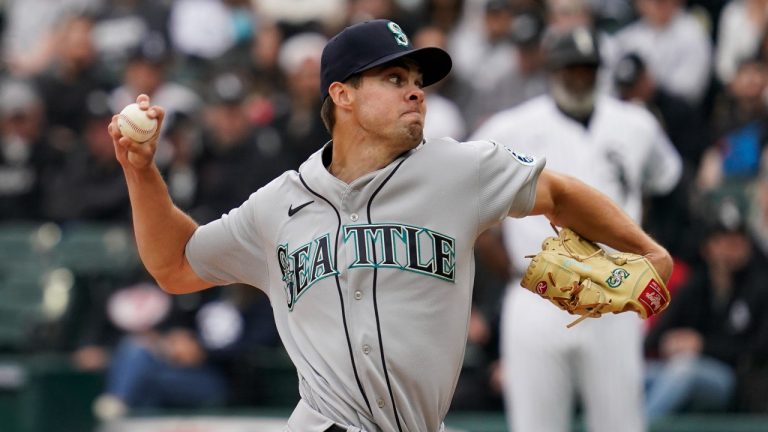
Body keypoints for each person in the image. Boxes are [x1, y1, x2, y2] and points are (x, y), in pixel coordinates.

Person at [107, 19, 673, 432]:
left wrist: (645, 248)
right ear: (342, 94)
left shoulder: (459, 169)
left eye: (418, 79)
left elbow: (560, 192)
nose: (415, 90)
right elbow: (176, 265)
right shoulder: (279, 204)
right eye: (395, 76)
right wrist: (141, 173)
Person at [470, 27, 682, 432]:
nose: (579, 77)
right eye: (571, 68)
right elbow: (467, 198)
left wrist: (648, 252)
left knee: (621, 423)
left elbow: (669, 185)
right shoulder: (511, 126)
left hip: (616, 292)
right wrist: (506, 265)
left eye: (587, 68)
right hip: (539, 292)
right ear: (553, 70)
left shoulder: (636, 124)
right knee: (535, 425)